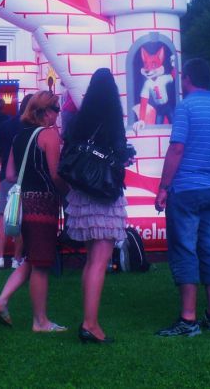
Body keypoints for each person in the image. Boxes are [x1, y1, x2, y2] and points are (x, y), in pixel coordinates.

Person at [154, 58, 210, 337]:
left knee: (184, 249)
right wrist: (208, 161)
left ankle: (188, 320)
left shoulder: (186, 107)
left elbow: (177, 149)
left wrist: (163, 187)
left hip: (186, 189)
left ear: (187, 78)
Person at [0, 91, 66, 332]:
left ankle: (1, 301)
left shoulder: (19, 137)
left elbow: (10, 175)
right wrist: (67, 191)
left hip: (24, 203)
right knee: (41, 265)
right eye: (56, 109)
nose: (58, 114)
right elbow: (55, 174)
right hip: (44, 204)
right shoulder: (49, 135)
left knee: (32, 258)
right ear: (45, 111)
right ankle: (40, 321)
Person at [64, 68, 131, 343]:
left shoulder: (80, 119)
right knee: (99, 263)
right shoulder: (113, 118)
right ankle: (90, 324)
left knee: (91, 261)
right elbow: (121, 154)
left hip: (82, 193)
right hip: (104, 194)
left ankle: (88, 319)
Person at [0, 94, 31, 269]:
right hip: (27, 177)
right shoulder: (34, 127)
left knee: (3, 215)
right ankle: (17, 259)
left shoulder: (7, 124)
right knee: (21, 217)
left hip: (6, 175)